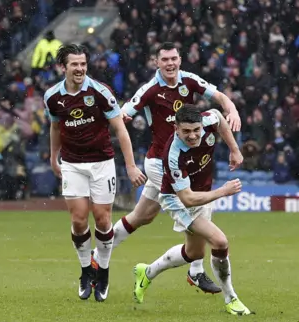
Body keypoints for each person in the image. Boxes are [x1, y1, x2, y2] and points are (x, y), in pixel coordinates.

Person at [90, 42, 242, 294]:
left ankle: (98, 254)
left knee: (142, 217)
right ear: (156, 62)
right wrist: (121, 118)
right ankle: (195, 271)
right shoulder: (151, 89)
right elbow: (125, 111)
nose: (170, 64)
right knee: (194, 207)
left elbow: (219, 97)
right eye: (165, 60)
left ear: (180, 59)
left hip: (178, 160)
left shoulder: (189, 80)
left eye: (174, 59)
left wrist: (232, 108)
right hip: (161, 163)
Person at [45, 44, 146, 302]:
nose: (79, 69)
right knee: (79, 220)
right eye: (74, 64)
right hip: (72, 163)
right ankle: (85, 270)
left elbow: (121, 129)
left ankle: (103, 270)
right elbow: (56, 127)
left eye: (83, 64)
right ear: (63, 67)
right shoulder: (52, 97)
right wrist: (53, 156)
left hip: (102, 163)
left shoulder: (101, 92)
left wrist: (131, 165)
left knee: (102, 220)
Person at [133, 105, 253, 316]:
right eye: (186, 131)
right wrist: (223, 191)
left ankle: (147, 272)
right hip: (178, 200)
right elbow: (187, 199)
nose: (193, 135)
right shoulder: (173, 155)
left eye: (196, 130)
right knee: (220, 241)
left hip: (201, 192)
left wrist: (234, 149)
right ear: (175, 128)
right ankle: (231, 298)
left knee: (194, 252)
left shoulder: (208, 120)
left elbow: (218, 116)